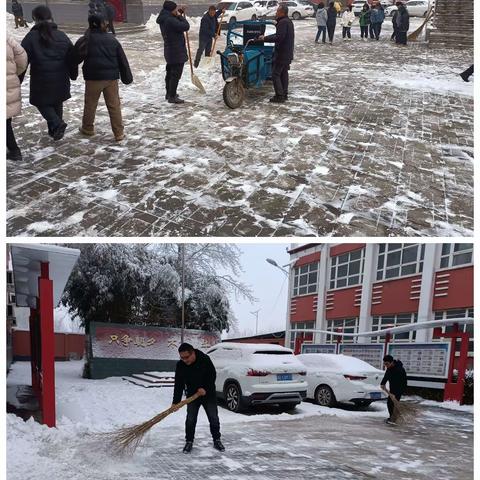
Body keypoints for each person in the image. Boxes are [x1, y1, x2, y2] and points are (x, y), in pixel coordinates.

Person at [21, 5, 77, 141]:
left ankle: (57, 124)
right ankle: (55, 131)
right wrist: (73, 74)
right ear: (50, 17)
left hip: (41, 80)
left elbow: (22, 61)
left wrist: (18, 78)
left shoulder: (30, 37)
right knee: (56, 101)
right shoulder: (62, 35)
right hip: (61, 78)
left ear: (35, 18)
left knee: (41, 102)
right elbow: (72, 57)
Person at [73, 14, 133, 141]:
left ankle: (88, 128)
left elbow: (74, 58)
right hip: (111, 78)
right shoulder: (112, 40)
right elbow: (122, 60)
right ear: (101, 24)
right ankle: (119, 133)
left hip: (93, 78)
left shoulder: (86, 39)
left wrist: (72, 72)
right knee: (114, 105)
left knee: (90, 104)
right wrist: (126, 76)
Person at [172, 343, 224, 454]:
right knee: (190, 418)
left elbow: (212, 375)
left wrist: (205, 388)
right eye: (182, 357)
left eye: (186, 357)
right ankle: (189, 441)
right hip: (192, 396)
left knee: (213, 417)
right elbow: (178, 384)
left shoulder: (205, 359)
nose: (184, 360)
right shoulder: (181, 365)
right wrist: (175, 402)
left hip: (208, 394)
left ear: (193, 353)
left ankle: (217, 439)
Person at [255, 4, 294, 103]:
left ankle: (279, 96)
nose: (276, 13)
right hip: (287, 53)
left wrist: (265, 38)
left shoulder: (283, 23)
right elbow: (280, 35)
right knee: (283, 73)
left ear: (282, 12)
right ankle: (284, 94)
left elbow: (279, 37)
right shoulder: (288, 21)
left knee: (275, 74)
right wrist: (266, 37)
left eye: (277, 11)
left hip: (282, 53)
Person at [157, 0, 190, 104]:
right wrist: (180, 15)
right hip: (176, 51)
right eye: (175, 9)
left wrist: (179, 12)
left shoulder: (164, 18)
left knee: (170, 73)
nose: (176, 10)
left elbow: (174, 19)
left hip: (170, 50)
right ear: (171, 10)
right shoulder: (170, 20)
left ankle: (169, 93)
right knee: (175, 74)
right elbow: (185, 26)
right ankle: (172, 96)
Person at [6, 36, 28, 161]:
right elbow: (22, 58)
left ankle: (14, 150)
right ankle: (14, 149)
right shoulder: (7, 39)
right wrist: (13, 74)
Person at [380, 355, 407, 425]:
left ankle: (394, 419)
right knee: (389, 403)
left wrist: (395, 394)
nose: (386, 366)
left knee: (393, 404)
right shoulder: (389, 368)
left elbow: (403, 382)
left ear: (392, 362)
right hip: (392, 389)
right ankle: (392, 417)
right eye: (385, 364)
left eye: (387, 364)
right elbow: (386, 376)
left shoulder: (399, 370)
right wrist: (383, 383)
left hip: (399, 388)